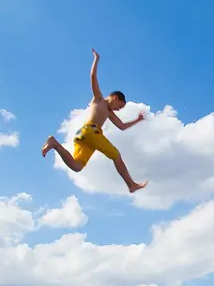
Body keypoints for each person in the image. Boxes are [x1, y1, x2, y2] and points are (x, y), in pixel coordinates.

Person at [42, 49, 147, 193]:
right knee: (116, 155)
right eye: (119, 107)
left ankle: (54, 143)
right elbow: (93, 77)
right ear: (115, 98)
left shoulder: (109, 112)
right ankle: (131, 185)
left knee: (77, 166)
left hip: (83, 136)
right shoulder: (99, 100)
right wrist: (96, 59)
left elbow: (122, 126)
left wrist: (137, 120)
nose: (117, 110)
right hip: (91, 131)